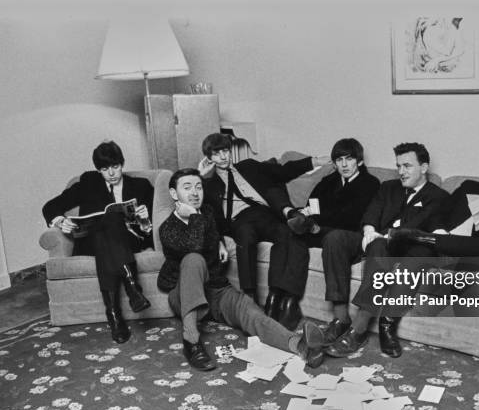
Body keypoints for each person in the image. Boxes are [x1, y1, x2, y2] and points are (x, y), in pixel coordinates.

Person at [367, 147, 479, 353]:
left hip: (471, 254)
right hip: (440, 244)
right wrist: (440, 231)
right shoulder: (468, 187)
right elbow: (439, 211)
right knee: (416, 258)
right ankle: (387, 325)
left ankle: (420, 237)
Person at [157, 168, 325, 371]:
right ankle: (191, 341)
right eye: (187, 187)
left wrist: (218, 241)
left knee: (252, 312)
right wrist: (193, 216)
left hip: (216, 291)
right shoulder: (168, 228)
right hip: (184, 295)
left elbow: (213, 231)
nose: (194, 192)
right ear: (174, 194)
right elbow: (194, 248)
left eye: (198, 187)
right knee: (193, 259)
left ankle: (299, 345)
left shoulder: (207, 213)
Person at [322, 142, 449, 358]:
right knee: (334, 238)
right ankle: (341, 318)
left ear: (424, 167)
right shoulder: (388, 187)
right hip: (373, 241)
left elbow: (420, 233)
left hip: (400, 249)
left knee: (380, 245)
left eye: (407, 166)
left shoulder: (439, 197)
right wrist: (370, 230)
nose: (401, 171)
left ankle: (359, 328)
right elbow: (372, 213)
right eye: (398, 166)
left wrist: (383, 237)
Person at [200, 133, 330, 331]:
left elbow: (282, 171)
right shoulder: (208, 186)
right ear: (209, 158)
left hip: (264, 213)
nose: (223, 157)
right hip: (239, 220)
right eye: (217, 154)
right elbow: (203, 212)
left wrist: (313, 161)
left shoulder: (249, 166)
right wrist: (200, 176)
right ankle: (250, 297)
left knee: (287, 234)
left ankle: (274, 296)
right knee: (245, 235)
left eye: (225, 151)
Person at [42, 141, 153, 344]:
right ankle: (133, 288)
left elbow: (151, 227)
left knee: (111, 225)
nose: (111, 173)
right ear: (98, 170)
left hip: (128, 240)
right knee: (105, 226)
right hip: (92, 242)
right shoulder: (88, 182)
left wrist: (145, 220)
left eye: (115, 167)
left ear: (122, 164)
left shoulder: (141, 186)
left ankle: (114, 316)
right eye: (104, 169)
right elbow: (51, 206)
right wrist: (60, 221)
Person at [290, 138, 380, 248]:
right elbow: (311, 204)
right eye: (339, 160)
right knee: (291, 235)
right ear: (334, 164)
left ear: (359, 162)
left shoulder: (371, 183)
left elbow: (353, 218)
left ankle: (311, 228)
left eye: (349, 159)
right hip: (320, 228)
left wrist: (317, 218)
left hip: (347, 234)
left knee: (323, 234)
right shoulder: (328, 181)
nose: (344, 164)